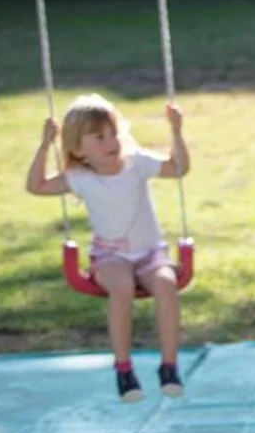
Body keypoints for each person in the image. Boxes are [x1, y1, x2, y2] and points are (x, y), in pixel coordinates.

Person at [26, 94, 191, 402]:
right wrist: (45, 144)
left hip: (151, 254)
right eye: (99, 137)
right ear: (78, 150)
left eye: (113, 133)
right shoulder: (80, 178)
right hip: (110, 257)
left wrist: (176, 131)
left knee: (166, 285)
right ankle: (124, 369)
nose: (110, 141)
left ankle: (169, 366)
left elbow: (179, 168)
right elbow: (36, 186)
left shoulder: (137, 163)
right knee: (122, 287)